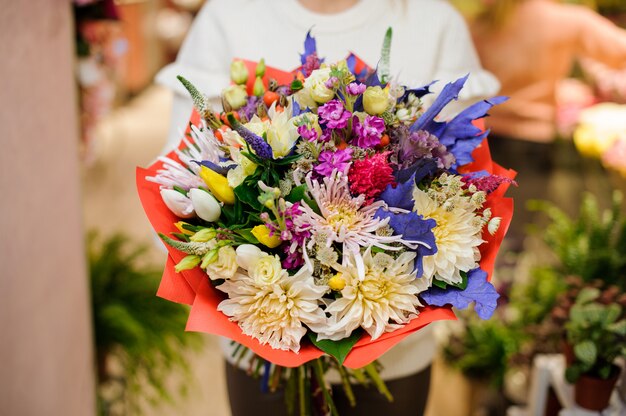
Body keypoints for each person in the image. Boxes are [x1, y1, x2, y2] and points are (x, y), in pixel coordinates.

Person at [156, 0, 499, 414]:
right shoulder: (226, 15)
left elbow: (465, 185)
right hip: (262, 349)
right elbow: (180, 180)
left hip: (397, 357)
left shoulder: (435, 20)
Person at [470, 0, 626, 252]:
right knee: (514, 235)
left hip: (485, 139)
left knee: (481, 234)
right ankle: (506, 287)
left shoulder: (483, 22)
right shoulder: (566, 20)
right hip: (534, 142)